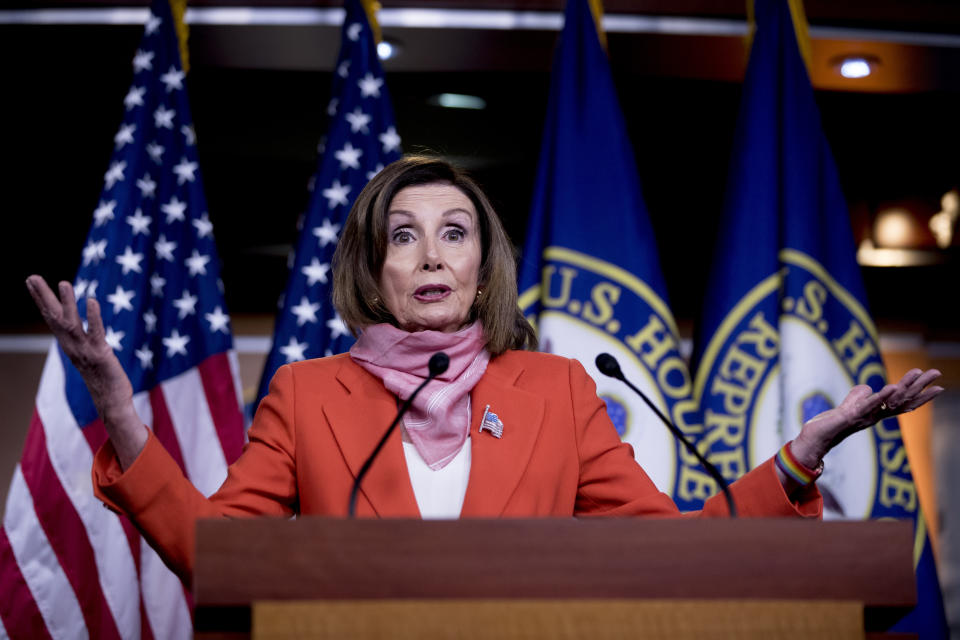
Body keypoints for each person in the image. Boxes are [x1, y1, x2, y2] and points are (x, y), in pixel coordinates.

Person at [26, 155, 943, 586]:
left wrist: (798, 459)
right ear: (374, 269)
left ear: (480, 266)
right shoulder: (309, 397)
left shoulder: (556, 391)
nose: (430, 255)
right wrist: (114, 399)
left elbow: (672, 548)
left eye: (453, 234)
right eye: (405, 236)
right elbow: (209, 552)